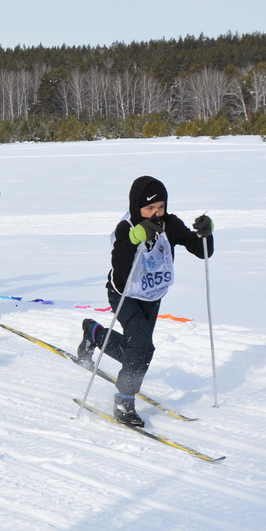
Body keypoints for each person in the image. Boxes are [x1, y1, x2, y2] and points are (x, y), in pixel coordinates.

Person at [78, 175, 214, 429]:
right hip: (123, 295)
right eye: (149, 208)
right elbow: (119, 266)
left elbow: (201, 250)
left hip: (152, 296)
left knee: (138, 349)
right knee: (141, 347)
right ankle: (124, 401)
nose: (156, 213)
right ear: (136, 207)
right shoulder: (126, 228)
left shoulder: (170, 224)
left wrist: (206, 234)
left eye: (160, 207)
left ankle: (94, 333)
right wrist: (133, 239)